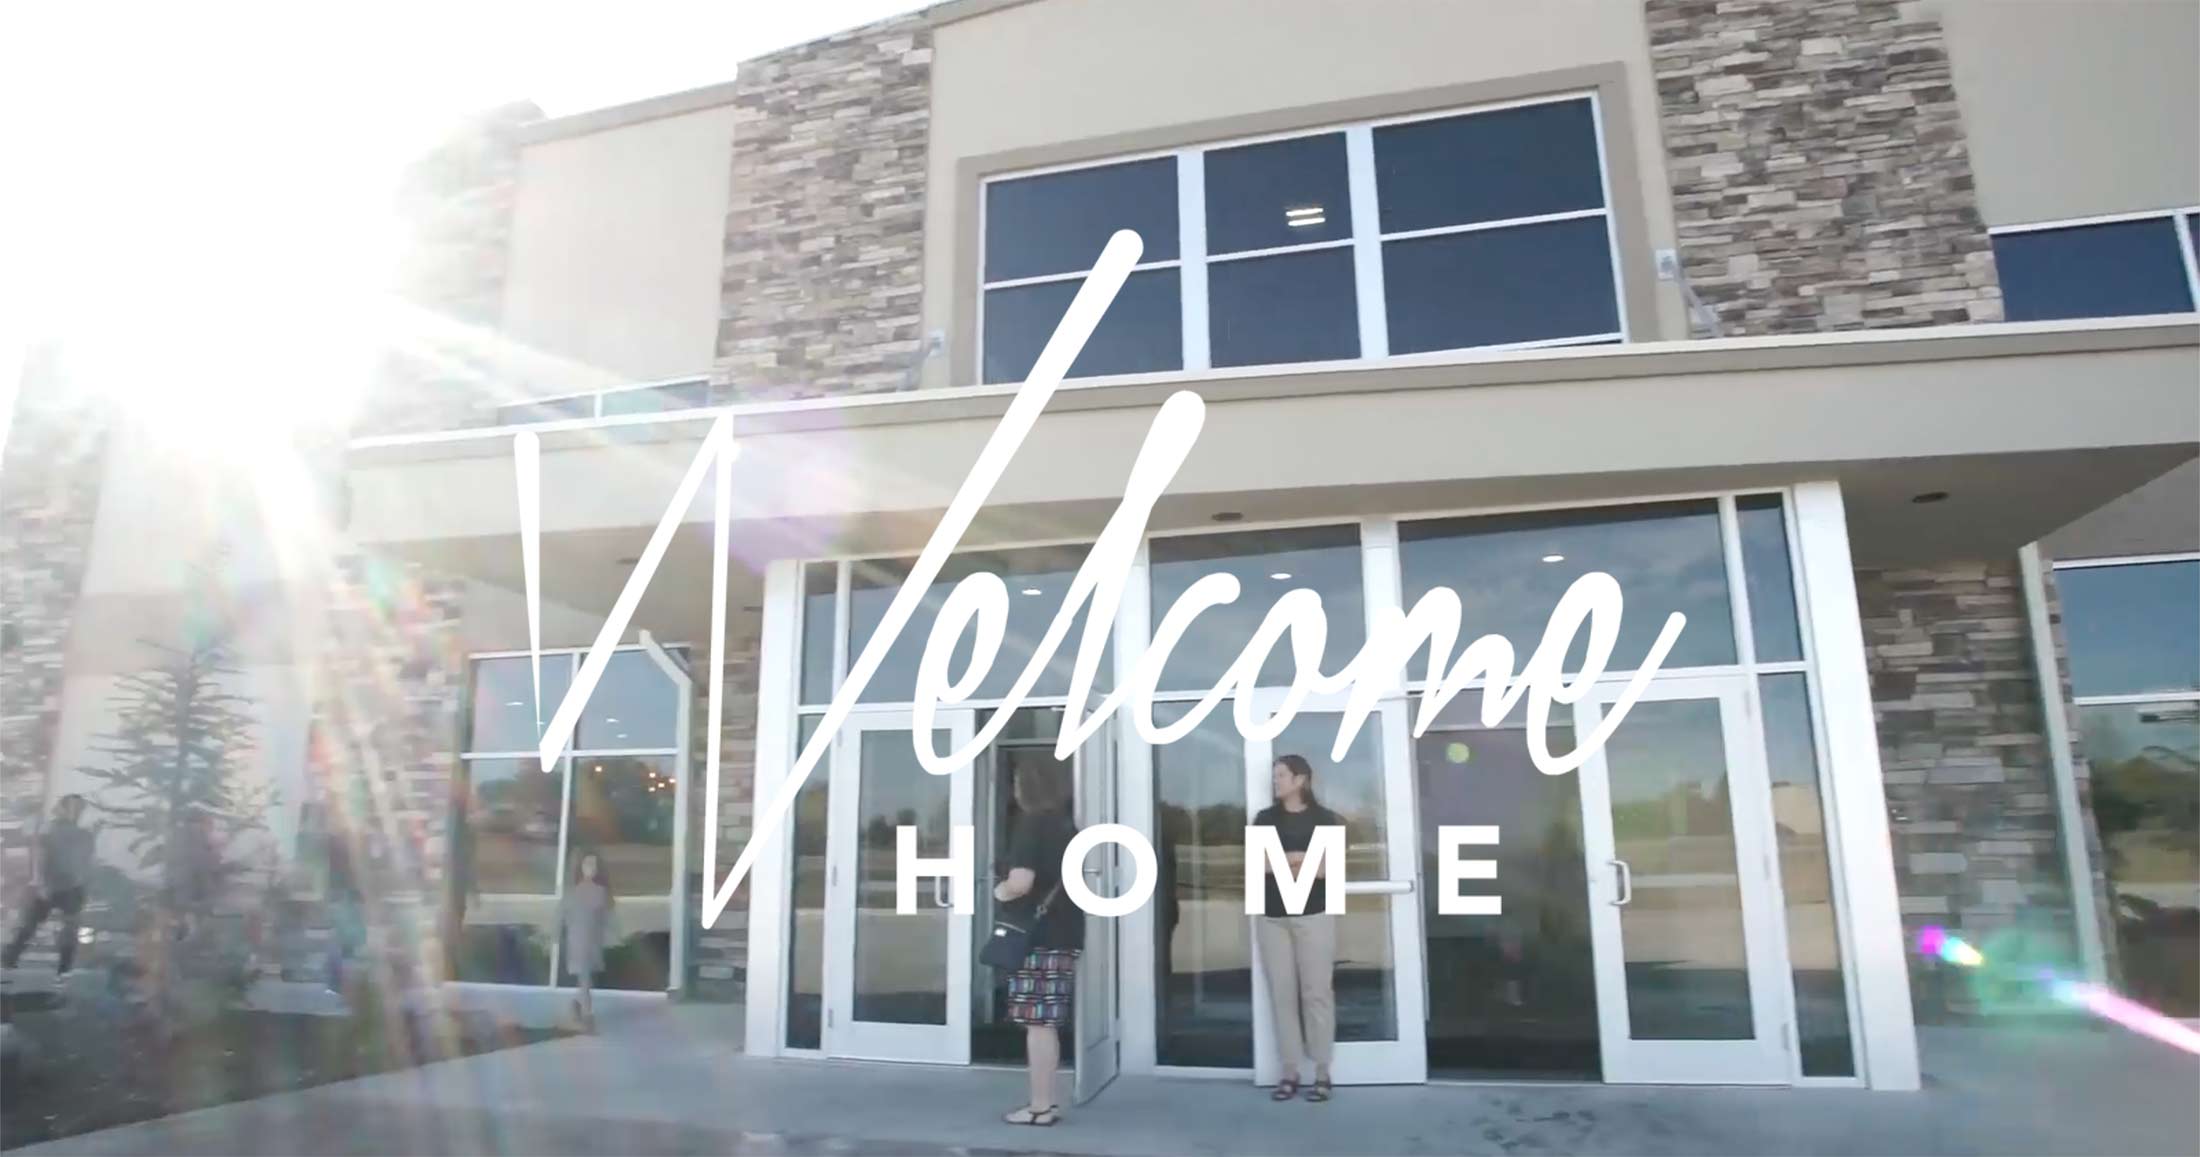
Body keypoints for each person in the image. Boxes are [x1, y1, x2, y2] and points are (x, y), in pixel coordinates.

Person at [993, 760, 1082, 1127]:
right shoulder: (1067, 827)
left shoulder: (1032, 825)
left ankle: (1040, 1107)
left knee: (1037, 1025)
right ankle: (1047, 1103)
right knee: (1046, 1023)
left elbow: (1020, 881)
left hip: (1038, 937)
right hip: (1064, 933)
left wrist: (1000, 890)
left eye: (1017, 782)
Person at [1252, 754, 1341, 1103]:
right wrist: (1303, 857)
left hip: (1314, 914)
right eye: (1274, 776)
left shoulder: (1324, 819)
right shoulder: (1264, 819)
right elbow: (1258, 864)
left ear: (1301, 780)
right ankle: (1289, 1072)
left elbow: (1326, 870)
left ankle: (1322, 1072)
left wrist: (1282, 859)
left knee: (1316, 993)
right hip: (1273, 917)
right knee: (1282, 995)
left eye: (1282, 775)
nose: (1276, 781)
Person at [4, 794, 95, 978]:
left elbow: (86, 862)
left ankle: (64, 970)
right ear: (62, 808)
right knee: (28, 925)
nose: (75, 812)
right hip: (49, 884)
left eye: (79, 808)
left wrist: (85, 886)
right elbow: (39, 856)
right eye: (71, 807)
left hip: (72, 887)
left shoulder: (84, 835)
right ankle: (8, 961)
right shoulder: (49, 831)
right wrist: (39, 882)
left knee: (71, 929)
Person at [563, 851, 613, 1032]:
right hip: (578, 941)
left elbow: (604, 919)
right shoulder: (573, 892)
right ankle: (587, 1016)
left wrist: (607, 937)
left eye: (593, 865)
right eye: (587, 864)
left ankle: (577, 1004)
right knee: (585, 978)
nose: (590, 869)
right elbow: (564, 915)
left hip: (592, 942)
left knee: (587, 979)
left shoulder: (601, 892)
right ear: (581, 868)